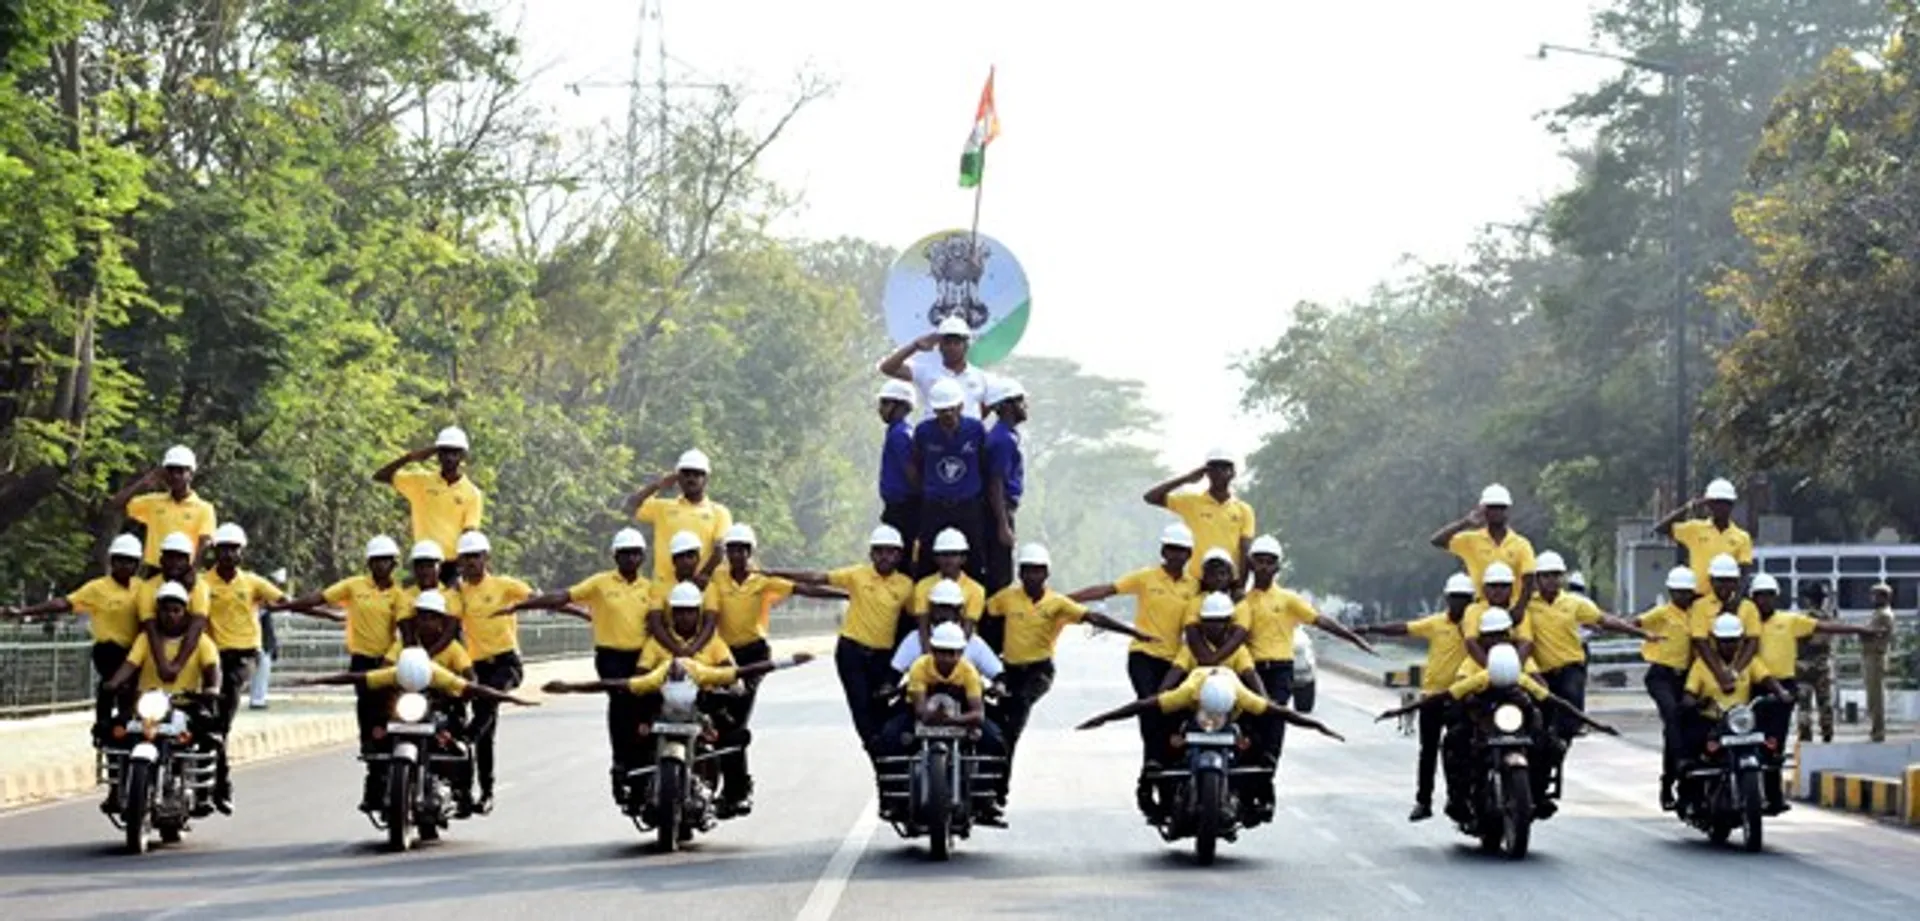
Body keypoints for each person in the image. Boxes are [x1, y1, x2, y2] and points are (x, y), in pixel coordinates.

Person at [1376, 642, 1617, 821]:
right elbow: (1443, 696)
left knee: (1551, 745)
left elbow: (1557, 701)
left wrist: (1594, 723)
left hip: (1515, 726)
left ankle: (1539, 792)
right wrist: (1400, 711)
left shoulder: (1522, 679)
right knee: (1453, 741)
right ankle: (1458, 798)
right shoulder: (1477, 678)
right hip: (1483, 728)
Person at [500, 527, 656, 802]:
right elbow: (562, 597)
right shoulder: (600, 583)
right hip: (611, 657)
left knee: (647, 708)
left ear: (643, 556)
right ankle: (621, 764)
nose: (631, 558)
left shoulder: (651, 589)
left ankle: (647, 766)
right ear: (615, 556)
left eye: (635, 553)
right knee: (621, 704)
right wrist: (523, 606)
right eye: (625, 553)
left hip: (644, 657)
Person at [700, 523, 847, 811]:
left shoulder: (762, 580)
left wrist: (847, 595)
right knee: (713, 718)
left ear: (751, 552)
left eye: (743, 550)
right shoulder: (717, 578)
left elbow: (804, 589)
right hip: (721, 655)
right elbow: (703, 606)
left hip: (753, 656)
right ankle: (707, 782)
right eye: (732, 550)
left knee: (734, 724)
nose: (737, 555)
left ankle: (737, 791)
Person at [1076, 666, 1344, 824]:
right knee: (1165, 733)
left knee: (1256, 740)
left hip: (1230, 724)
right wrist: (1103, 718)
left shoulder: (1240, 693)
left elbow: (1279, 711)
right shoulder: (1190, 690)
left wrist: (1318, 726)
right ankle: (1153, 791)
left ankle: (1257, 797)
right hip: (1194, 719)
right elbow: (1143, 704)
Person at [1065, 523, 1201, 815]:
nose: (1176, 555)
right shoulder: (1145, 577)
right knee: (1150, 706)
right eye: (1171, 549)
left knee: (1175, 716)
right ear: (1163, 551)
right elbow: (1108, 589)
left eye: (1181, 551)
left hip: (1176, 661)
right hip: (1144, 656)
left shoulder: (1194, 586)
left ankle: (1161, 779)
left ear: (1189, 554)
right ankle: (1151, 767)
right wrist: (1065, 599)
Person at [987, 544, 1151, 776]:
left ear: (1046, 573)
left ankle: (1001, 782)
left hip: (1038, 671)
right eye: (1027, 570)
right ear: (1020, 573)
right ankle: (991, 779)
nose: (1032, 576)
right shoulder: (1007, 598)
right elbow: (985, 616)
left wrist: (1133, 633)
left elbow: (1094, 618)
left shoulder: (1057, 603)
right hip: (1010, 670)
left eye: (1037, 571)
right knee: (1001, 723)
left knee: (1016, 715)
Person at [767, 526, 914, 755]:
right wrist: (772, 573)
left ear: (899, 555)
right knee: (861, 707)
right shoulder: (857, 575)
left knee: (880, 707)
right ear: (871, 554)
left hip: (882, 656)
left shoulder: (906, 586)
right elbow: (818, 578)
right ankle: (875, 751)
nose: (884, 556)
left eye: (890, 551)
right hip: (852, 652)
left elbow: (916, 618)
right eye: (879, 551)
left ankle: (886, 757)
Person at [1227, 535, 1374, 760]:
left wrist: (1353, 638)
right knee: (1249, 720)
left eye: (1269, 562)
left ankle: (1269, 765)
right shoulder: (1243, 603)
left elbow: (1320, 620)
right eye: (1259, 561)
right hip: (1251, 670)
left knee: (1275, 719)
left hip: (1279, 670)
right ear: (1251, 564)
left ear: (1277, 567)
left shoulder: (1288, 600)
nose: (1264, 567)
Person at [1749, 573, 1881, 812]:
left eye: (1769, 595)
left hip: (1785, 686)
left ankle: (1772, 796)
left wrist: (1860, 629)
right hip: (1753, 687)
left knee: (1774, 745)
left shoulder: (1790, 621)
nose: (1764, 600)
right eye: (1760, 596)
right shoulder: (1745, 622)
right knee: (1746, 741)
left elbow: (1825, 627)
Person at [1, 534, 146, 739]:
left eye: (130, 561)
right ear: (111, 561)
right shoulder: (97, 588)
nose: (124, 566)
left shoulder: (143, 588)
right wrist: (25, 611)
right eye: (119, 560)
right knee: (111, 685)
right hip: (110, 651)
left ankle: (129, 728)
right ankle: (104, 727)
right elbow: (64, 603)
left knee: (133, 697)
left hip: (137, 652)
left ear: (137, 564)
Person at [1354, 573, 1474, 821]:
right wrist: (1372, 628)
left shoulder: (1474, 627)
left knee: (1459, 751)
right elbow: (1404, 628)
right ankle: (1423, 801)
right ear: (1447, 598)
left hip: (1462, 696)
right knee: (1427, 751)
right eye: (1455, 598)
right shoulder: (1436, 623)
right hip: (1431, 697)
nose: (1459, 603)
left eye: (1464, 598)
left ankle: (1458, 800)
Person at [101, 581, 223, 814]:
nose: (171, 615)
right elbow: (130, 664)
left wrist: (212, 689)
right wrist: (114, 683)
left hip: (185, 704)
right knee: (112, 731)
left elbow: (213, 669)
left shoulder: (202, 641)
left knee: (210, 735)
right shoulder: (145, 639)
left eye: (176, 610)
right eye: (166, 610)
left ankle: (204, 793)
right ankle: (116, 790)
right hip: (148, 705)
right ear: (158, 611)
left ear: (185, 612)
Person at [269, 536, 409, 738]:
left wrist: (391, 658)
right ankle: (369, 748)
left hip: (386, 660)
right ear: (369, 563)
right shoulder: (353, 586)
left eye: (386, 560)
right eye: (376, 560)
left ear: (394, 564)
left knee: (388, 705)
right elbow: (319, 598)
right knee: (365, 705)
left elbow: (405, 632)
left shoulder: (399, 596)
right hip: (361, 659)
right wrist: (286, 606)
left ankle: (389, 746)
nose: (381, 565)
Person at [875, 621, 1007, 824]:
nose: (946, 658)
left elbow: (978, 714)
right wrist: (932, 716)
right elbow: (920, 710)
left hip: (959, 714)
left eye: (951, 653)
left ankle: (985, 798)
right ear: (932, 650)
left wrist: (954, 720)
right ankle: (894, 799)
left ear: (960, 653)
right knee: (888, 736)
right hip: (918, 713)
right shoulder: (919, 667)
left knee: (994, 739)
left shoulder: (969, 671)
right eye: (941, 652)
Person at [1525, 551, 1656, 742]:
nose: (1552, 580)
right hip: (1541, 672)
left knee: (1570, 716)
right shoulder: (1528, 606)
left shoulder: (1574, 603)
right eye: (1546, 576)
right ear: (1537, 579)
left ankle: (1566, 737)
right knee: (1538, 720)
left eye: (1556, 575)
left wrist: (1641, 633)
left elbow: (1604, 620)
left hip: (1570, 668)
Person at [199, 523, 284, 811]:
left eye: (233, 549)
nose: (228, 554)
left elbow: (286, 602)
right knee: (200, 721)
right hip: (210, 657)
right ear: (215, 552)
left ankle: (221, 786)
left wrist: (330, 613)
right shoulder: (202, 584)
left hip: (243, 656)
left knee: (221, 718)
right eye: (223, 549)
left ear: (241, 553)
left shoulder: (252, 583)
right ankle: (198, 785)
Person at [450, 530, 532, 814]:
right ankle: (479, 793)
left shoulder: (504, 585)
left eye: (476, 556)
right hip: (478, 666)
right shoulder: (459, 593)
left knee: (488, 701)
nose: (471, 562)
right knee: (487, 731)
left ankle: (468, 738)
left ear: (486, 558)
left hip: (506, 662)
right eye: (466, 557)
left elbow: (537, 598)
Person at [1678, 615, 1791, 809]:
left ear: (1740, 641)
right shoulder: (1702, 665)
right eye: (1724, 641)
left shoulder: (1749, 662)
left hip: (1742, 721)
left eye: (1733, 641)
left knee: (1771, 750)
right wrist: (1696, 702)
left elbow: (1767, 678)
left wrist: (1781, 693)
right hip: (1713, 721)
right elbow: (1689, 693)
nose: (1728, 645)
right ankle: (1692, 800)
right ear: (1715, 641)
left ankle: (1773, 797)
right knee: (1694, 754)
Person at [374, 427, 483, 586]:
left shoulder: (472, 493)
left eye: (454, 453)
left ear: (462, 456)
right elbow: (380, 476)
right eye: (444, 452)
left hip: (452, 565)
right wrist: (409, 458)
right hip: (423, 560)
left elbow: (469, 533)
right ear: (438, 455)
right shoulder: (422, 482)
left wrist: (466, 566)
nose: (449, 458)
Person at [908, 379, 989, 583]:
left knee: (974, 557)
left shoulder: (976, 430)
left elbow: (985, 464)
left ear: (960, 406)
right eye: (942, 411)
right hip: (935, 506)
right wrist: (926, 490)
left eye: (952, 409)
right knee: (927, 557)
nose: (947, 415)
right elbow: (915, 464)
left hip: (968, 506)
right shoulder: (924, 431)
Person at [1142, 447, 1256, 583]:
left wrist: (1240, 586)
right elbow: (1150, 497)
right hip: (1196, 580)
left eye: (1225, 468)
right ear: (1207, 473)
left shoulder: (1244, 510)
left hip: (1227, 581)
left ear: (1233, 473)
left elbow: (1245, 550)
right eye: (1214, 468)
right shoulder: (1192, 502)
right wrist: (1186, 479)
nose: (1220, 473)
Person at [1637, 566, 1699, 810]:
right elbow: (1637, 622)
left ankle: (1681, 783)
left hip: (1687, 677)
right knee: (1672, 714)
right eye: (1678, 592)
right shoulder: (1662, 613)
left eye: (1686, 592)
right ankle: (1678, 763)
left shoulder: (1696, 614)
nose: (1682, 596)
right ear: (1671, 592)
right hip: (1662, 676)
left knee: (1687, 726)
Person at [624, 450, 732, 583]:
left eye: (697, 474)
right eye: (686, 474)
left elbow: (720, 550)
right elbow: (629, 507)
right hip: (663, 587)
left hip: (700, 588)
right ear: (678, 478)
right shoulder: (662, 507)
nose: (691, 478)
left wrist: (702, 576)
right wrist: (657, 485)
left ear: (706, 479)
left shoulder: (719, 512)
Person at [110, 445, 218, 571]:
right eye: (170, 471)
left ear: (191, 474)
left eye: (180, 471)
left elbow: (204, 544)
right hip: (154, 571)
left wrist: (192, 572)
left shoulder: (204, 508)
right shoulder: (153, 502)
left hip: (184, 572)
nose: (175, 476)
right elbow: (116, 504)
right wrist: (143, 483)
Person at [1430, 484, 1536, 603]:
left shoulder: (1521, 544)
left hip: (1513, 605)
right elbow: (1437, 541)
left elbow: (1529, 578)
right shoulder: (1471, 540)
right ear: (1483, 510)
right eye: (1492, 508)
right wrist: (1465, 522)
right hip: (1480, 605)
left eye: (1501, 508)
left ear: (1507, 511)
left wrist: (1520, 607)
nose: (1497, 512)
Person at [134, 532, 214, 686]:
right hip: (155, 650)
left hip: (191, 649)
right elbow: (150, 627)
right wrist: (162, 665)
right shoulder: (147, 587)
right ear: (161, 560)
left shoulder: (200, 587)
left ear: (189, 561)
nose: (174, 563)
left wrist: (177, 665)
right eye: (170, 557)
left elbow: (197, 626)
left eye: (180, 558)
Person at [876, 314, 989, 420]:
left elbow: (986, 408)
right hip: (932, 433)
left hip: (969, 433)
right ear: (939, 346)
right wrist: (915, 346)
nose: (951, 347)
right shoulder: (926, 372)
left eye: (956, 343)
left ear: (966, 346)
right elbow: (887, 368)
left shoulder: (980, 377)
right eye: (947, 343)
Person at [891, 580, 1005, 683]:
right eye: (940, 608)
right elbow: (895, 672)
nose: (944, 613)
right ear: (931, 608)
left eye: (950, 608)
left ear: (959, 610)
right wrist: (889, 685)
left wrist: (1000, 685)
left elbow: (997, 673)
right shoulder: (915, 639)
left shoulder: (974, 642)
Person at [1654, 478, 1754, 595]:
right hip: (1697, 597)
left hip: (1725, 598)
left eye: (1725, 503)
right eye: (1715, 503)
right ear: (1709, 505)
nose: (1720, 507)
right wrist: (1689, 507)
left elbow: (1744, 572)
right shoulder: (1695, 529)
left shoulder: (1742, 537)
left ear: (1731, 505)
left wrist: (1736, 598)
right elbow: (1661, 528)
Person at [1688, 553, 1762, 694]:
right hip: (1706, 670)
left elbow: (1752, 642)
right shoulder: (1700, 606)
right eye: (1720, 580)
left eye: (1729, 580)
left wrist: (1734, 672)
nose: (1724, 585)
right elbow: (1701, 642)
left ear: (1736, 582)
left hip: (1742, 669)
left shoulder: (1748, 607)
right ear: (1711, 581)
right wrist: (1720, 674)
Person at [982, 376, 1027, 596]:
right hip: (999, 509)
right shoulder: (1003, 439)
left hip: (1002, 508)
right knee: (1000, 574)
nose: (1025, 406)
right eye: (1020, 401)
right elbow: (995, 482)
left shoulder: (1007, 435)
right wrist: (1003, 525)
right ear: (1007, 406)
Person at [912, 528, 989, 647]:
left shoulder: (976, 590)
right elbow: (923, 626)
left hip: (964, 645)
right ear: (936, 558)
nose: (948, 560)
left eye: (954, 554)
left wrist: (951, 654)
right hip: (929, 642)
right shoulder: (923, 586)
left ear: (963, 558)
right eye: (943, 554)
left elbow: (967, 629)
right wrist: (930, 655)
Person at [876, 380, 921, 563]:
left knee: (900, 557)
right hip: (896, 506)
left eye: (886, 403)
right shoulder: (895, 431)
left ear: (901, 406)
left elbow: (911, 471)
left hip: (903, 508)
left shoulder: (900, 434)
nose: (881, 409)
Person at [1460, 562, 1535, 669]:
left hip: (1513, 662)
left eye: (1503, 586)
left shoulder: (1518, 610)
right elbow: (1471, 643)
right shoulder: (1474, 610)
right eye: (1493, 586)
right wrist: (1492, 669)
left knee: (1534, 673)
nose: (1498, 590)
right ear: (1485, 589)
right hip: (1480, 663)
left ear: (1511, 588)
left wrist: (1512, 669)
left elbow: (1526, 643)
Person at [1796, 580, 1838, 743]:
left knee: (1804, 705)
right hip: (1823, 666)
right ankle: (1827, 733)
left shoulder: (1803, 619)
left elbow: (1797, 641)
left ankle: (1805, 736)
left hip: (1803, 666)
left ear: (1808, 599)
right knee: (1825, 702)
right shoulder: (1828, 619)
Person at [1864, 582, 1897, 743]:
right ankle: (1875, 729)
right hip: (1871, 656)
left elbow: (1874, 633)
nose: (1872, 598)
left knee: (1876, 697)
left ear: (1884, 597)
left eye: (1875, 595)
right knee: (1872, 695)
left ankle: (1878, 731)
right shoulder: (1878, 613)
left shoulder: (1884, 615)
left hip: (1876, 656)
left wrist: (1861, 631)